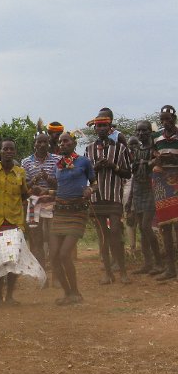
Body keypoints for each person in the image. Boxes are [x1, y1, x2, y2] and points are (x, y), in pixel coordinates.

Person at [0, 139, 45, 305]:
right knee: (0, 260)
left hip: (15, 222)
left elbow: (23, 194)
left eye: (11, 149)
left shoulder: (20, 172)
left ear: (15, 152)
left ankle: (9, 296)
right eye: (5, 149)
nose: (8, 151)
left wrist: (33, 188)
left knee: (13, 261)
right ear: (0, 152)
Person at [85, 111, 132, 285]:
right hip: (97, 198)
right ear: (95, 128)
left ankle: (123, 271)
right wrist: (95, 168)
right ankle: (108, 273)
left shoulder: (120, 148)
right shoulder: (88, 149)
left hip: (114, 197)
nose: (102, 128)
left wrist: (114, 166)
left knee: (114, 233)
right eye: (99, 126)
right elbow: (85, 175)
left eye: (105, 125)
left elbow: (128, 172)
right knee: (103, 236)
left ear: (110, 127)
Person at [50, 132, 96, 304]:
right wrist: (46, 192)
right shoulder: (58, 165)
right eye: (61, 142)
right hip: (60, 211)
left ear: (74, 143)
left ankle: (76, 293)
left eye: (66, 141)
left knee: (63, 254)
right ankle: (68, 293)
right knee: (54, 256)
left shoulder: (83, 162)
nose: (63, 144)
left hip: (77, 212)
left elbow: (94, 183)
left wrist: (90, 190)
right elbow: (61, 188)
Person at [126, 121, 162, 275]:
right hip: (138, 189)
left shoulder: (155, 149)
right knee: (141, 228)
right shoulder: (139, 150)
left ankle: (159, 262)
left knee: (146, 226)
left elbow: (158, 165)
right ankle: (148, 263)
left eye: (144, 130)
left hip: (151, 188)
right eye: (138, 131)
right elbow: (134, 175)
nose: (141, 134)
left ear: (149, 131)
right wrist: (130, 199)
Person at [20, 133, 60, 270]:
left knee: (54, 238)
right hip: (33, 203)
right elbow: (24, 186)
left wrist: (47, 178)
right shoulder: (25, 162)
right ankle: (41, 272)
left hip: (52, 202)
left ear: (49, 144)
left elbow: (59, 184)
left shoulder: (57, 159)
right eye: (39, 142)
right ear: (34, 143)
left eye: (45, 142)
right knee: (36, 239)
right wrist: (35, 182)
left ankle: (56, 273)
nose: (42, 145)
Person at [151, 105, 178, 282]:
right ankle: (170, 268)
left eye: (168, 119)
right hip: (161, 182)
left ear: (174, 120)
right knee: (165, 226)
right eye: (162, 120)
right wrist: (157, 160)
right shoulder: (156, 137)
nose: (165, 122)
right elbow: (153, 157)